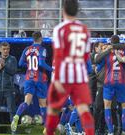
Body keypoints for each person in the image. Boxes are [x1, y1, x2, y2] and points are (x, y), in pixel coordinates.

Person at [45, 0, 94, 135]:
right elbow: (85, 57)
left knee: (53, 110)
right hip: (80, 76)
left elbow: (59, 56)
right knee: (84, 110)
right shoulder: (85, 30)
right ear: (77, 11)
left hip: (64, 75)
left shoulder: (59, 29)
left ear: (63, 10)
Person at [11, 31, 53, 132]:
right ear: (41, 38)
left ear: (33, 39)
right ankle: (46, 128)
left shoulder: (27, 49)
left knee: (26, 102)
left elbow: (20, 63)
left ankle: (16, 116)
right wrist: (52, 69)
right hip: (40, 79)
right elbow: (41, 63)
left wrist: (30, 65)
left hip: (29, 78)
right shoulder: (42, 49)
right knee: (43, 105)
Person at [0, 42, 17, 134]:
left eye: (8, 49)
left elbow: (13, 72)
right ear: (0, 49)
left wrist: (4, 66)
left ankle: (14, 130)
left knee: (12, 111)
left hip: (9, 89)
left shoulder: (12, 59)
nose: (6, 51)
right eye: (4, 49)